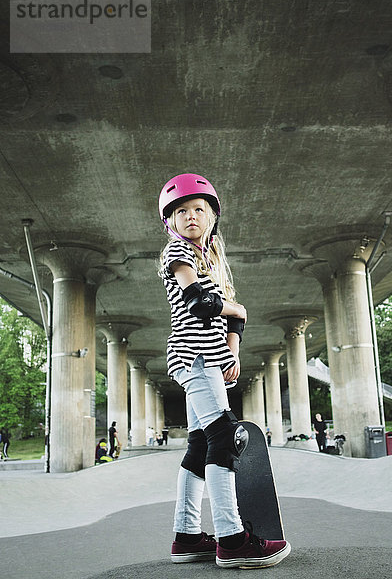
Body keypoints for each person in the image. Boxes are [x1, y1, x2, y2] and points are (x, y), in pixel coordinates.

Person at [158, 173, 290, 569]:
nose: (191, 216)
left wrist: (231, 351)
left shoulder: (212, 262)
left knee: (200, 446)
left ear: (213, 217)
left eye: (199, 209)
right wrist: (236, 310)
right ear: (170, 222)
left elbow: (232, 324)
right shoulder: (176, 253)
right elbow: (199, 302)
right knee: (225, 438)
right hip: (192, 357)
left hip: (210, 359)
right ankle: (232, 539)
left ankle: (186, 535)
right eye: (181, 211)